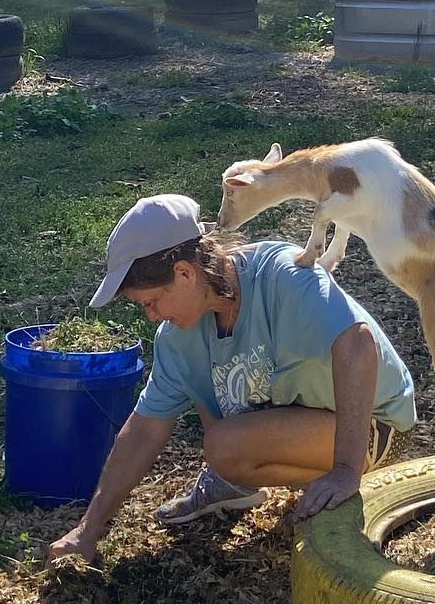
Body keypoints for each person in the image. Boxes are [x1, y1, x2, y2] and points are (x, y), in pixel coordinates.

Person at [46, 193, 416, 566]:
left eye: (151, 301)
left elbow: (358, 345)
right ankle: (235, 485)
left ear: (185, 273)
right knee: (216, 421)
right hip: (304, 428)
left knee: (224, 444)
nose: (151, 316)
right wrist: (87, 530)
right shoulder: (177, 339)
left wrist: (346, 472)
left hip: (375, 428)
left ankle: (343, 481)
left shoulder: (283, 273)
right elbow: (144, 430)